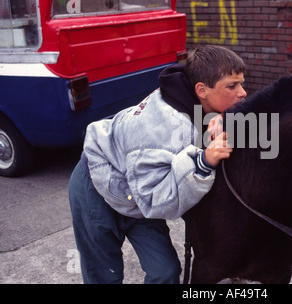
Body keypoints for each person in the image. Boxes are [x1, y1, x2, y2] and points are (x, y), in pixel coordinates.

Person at [68, 45, 247, 284]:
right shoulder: (165, 129)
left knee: (165, 272)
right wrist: (202, 162)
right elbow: (155, 201)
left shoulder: (190, 94)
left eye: (241, 83)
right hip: (96, 186)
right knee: (105, 275)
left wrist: (219, 117)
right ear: (202, 90)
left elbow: (246, 116)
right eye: (232, 86)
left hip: (136, 188)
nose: (243, 92)